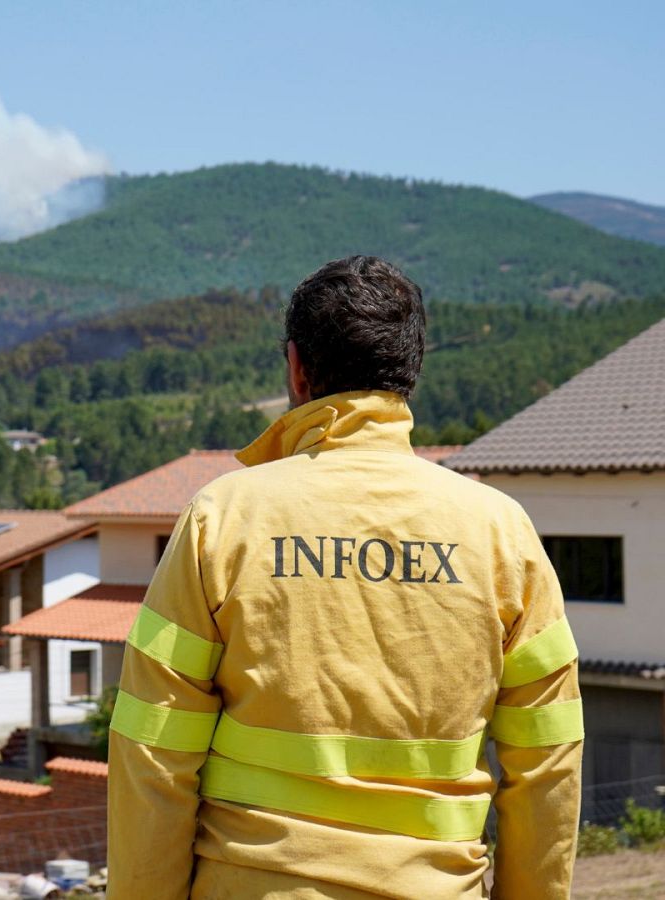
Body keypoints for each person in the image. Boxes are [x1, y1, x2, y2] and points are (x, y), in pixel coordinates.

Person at [107, 256, 582, 899]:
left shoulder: (223, 518)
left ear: (297, 369)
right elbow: (549, 761)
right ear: (409, 373)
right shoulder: (502, 532)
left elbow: (153, 751)